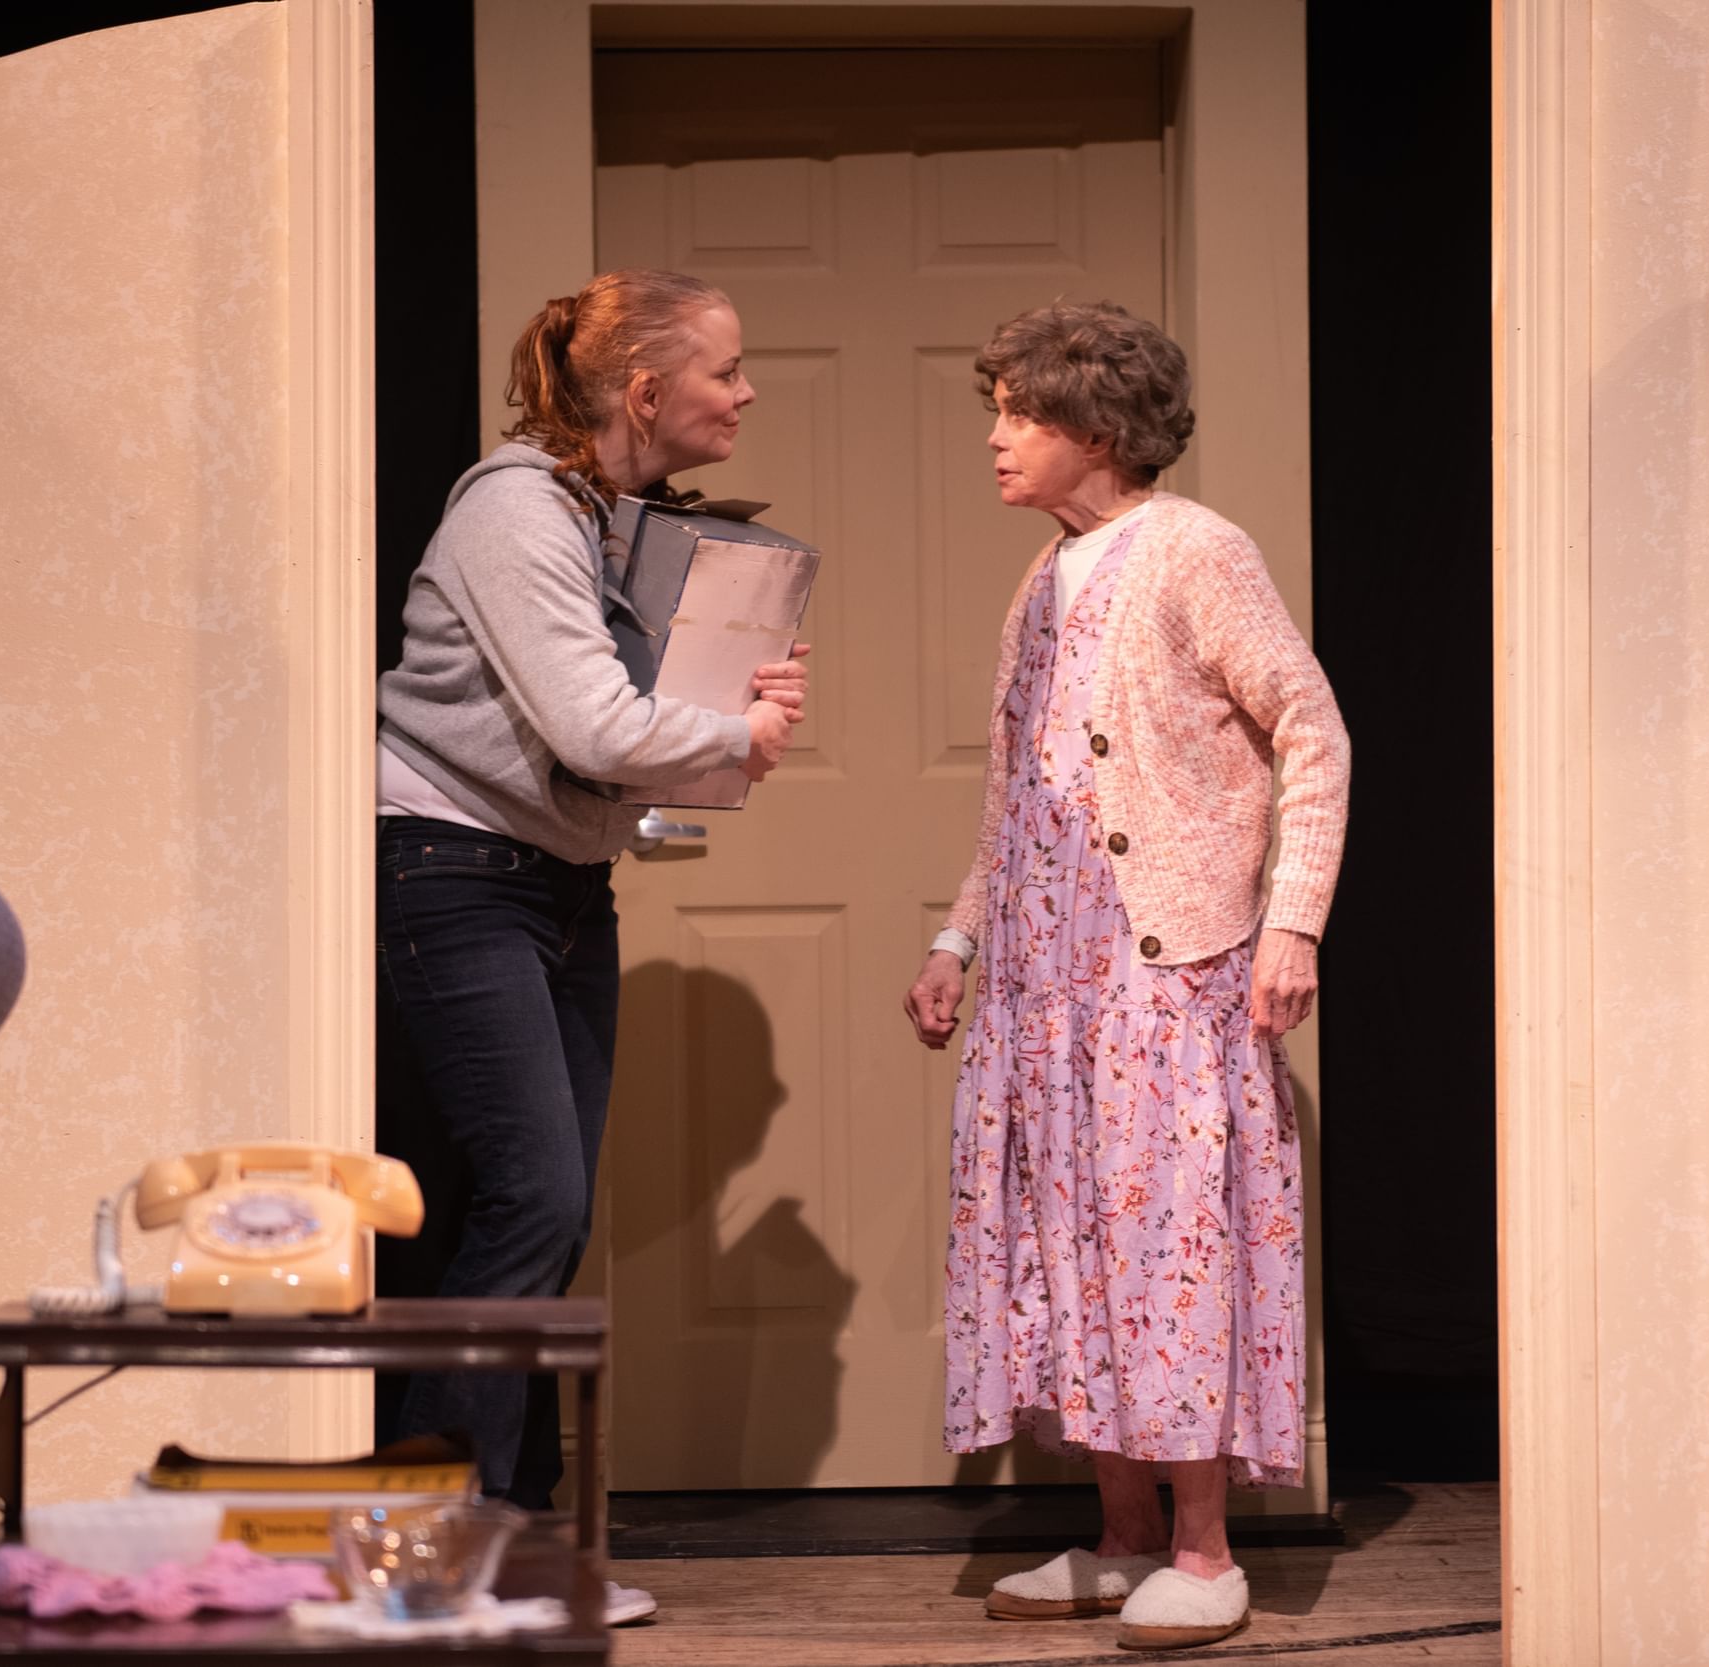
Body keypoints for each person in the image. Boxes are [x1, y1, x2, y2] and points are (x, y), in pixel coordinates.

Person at [902, 300, 1349, 1651]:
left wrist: (1294, 921)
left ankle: (1206, 1550)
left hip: (1164, 971)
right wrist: (959, 938)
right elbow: (1016, 795)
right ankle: (1124, 1535)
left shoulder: (1197, 552)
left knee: (1165, 1246)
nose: (994, 439)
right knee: (1069, 1246)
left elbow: (1311, 732)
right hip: (1047, 980)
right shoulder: (1043, 578)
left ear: (1094, 426)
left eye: (1018, 416)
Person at [376, 271, 808, 1572]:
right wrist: (742, 733)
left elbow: (612, 732)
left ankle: (478, 1527)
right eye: (725, 372)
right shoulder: (518, 513)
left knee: (540, 1213)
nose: (744, 393)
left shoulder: (603, 515)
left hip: (553, 879)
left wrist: (728, 704)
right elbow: (593, 729)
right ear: (642, 393)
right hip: (452, 872)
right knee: (529, 1198)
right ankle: (443, 1533)